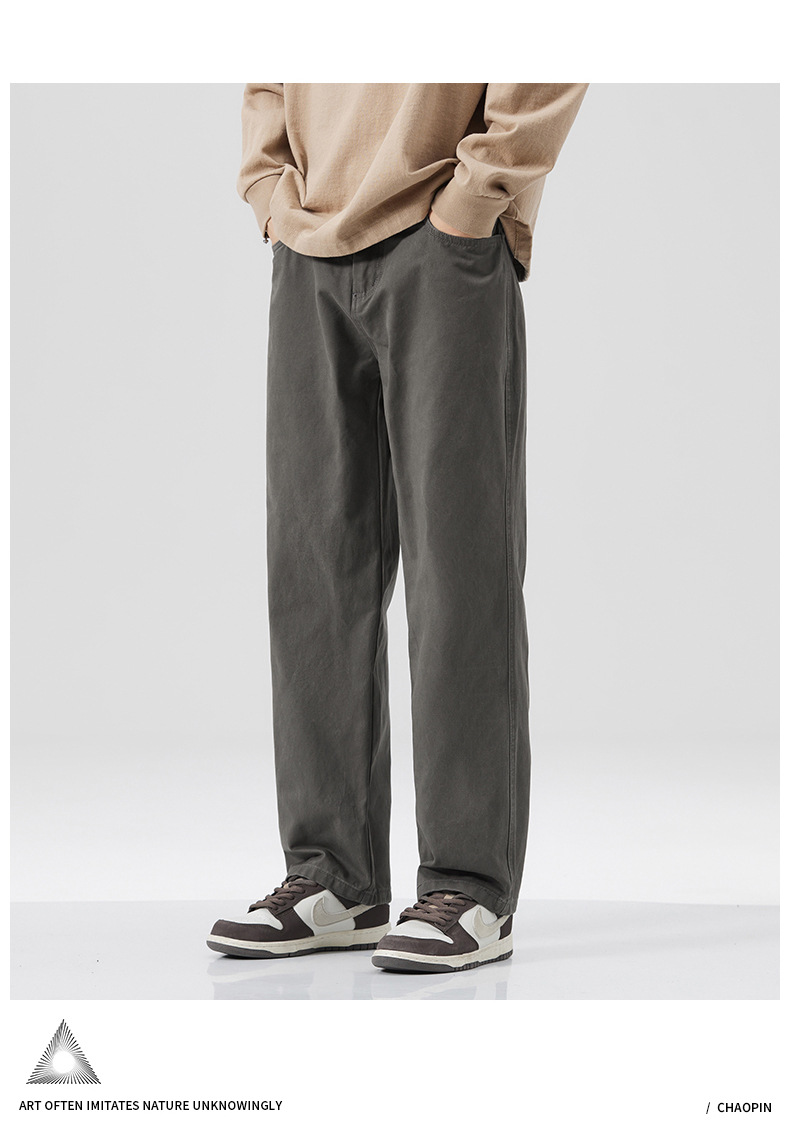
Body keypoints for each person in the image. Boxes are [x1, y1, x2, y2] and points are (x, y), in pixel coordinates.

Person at [207, 83, 588, 973]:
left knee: (460, 572)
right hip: (307, 242)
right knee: (313, 572)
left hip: (441, 235)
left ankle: (469, 885)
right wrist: (270, 190)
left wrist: (477, 195)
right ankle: (331, 875)